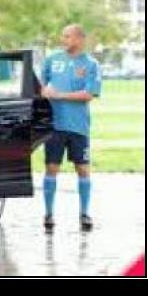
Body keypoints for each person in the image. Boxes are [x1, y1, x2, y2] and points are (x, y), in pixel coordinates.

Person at [41, 24, 102, 232]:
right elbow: (41, 87)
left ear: (79, 39)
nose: (63, 39)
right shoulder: (52, 59)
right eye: (63, 36)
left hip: (78, 127)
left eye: (67, 36)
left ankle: (84, 214)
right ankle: (48, 214)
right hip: (55, 126)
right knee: (51, 168)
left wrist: (60, 95)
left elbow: (89, 94)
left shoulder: (91, 64)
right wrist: (45, 90)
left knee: (83, 169)